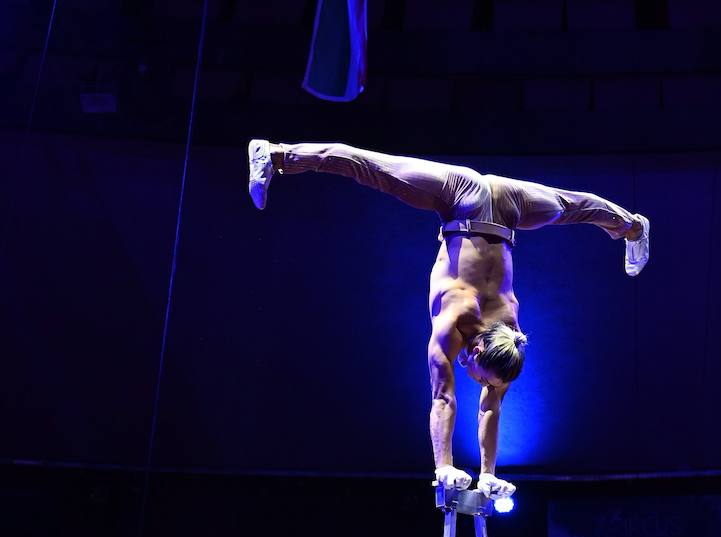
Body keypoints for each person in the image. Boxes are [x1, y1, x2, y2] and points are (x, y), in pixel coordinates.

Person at [247, 141, 649, 499]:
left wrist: (488, 475)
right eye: (479, 375)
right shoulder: (453, 322)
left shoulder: (506, 347)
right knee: (372, 167)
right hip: (462, 196)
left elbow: (490, 409)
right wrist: (443, 466)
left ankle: (633, 226)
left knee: (569, 207)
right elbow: (444, 398)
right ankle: (276, 154)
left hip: (509, 208)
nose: (478, 382)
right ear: (475, 348)